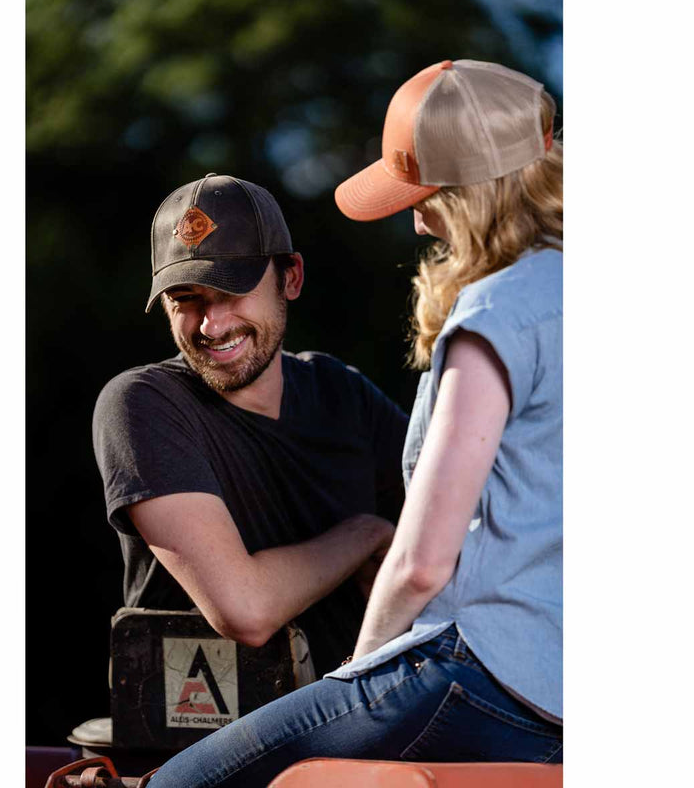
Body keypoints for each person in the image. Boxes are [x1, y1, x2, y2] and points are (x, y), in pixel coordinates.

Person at [146, 59, 563, 787]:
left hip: (481, 666)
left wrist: (359, 670)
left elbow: (424, 558)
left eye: (424, 195)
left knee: (182, 785)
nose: (415, 218)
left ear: (469, 195)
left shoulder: (493, 317)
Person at [92, 173, 408, 677]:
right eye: (186, 298)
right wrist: (368, 535)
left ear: (291, 278)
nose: (211, 325)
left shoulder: (341, 393)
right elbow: (246, 610)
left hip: (359, 713)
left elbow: (466, 526)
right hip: (204, 737)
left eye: (232, 290)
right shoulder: (143, 404)